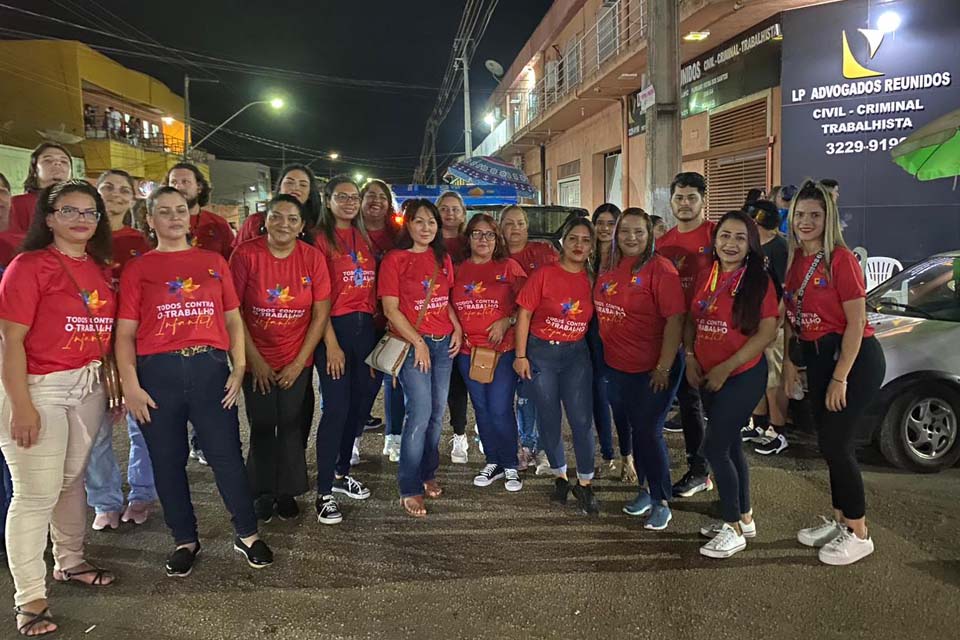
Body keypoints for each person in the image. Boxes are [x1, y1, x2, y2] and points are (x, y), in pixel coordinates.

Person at [116, 186, 273, 577]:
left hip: (209, 369)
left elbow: (233, 318)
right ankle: (184, 539)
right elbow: (124, 334)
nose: (174, 217)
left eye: (180, 210)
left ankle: (247, 533)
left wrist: (238, 367)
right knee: (167, 462)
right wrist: (130, 386)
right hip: (157, 374)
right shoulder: (139, 269)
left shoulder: (212, 262)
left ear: (190, 217)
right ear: (149, 220)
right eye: (164, 211)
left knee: (226, 457)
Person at [0, 180, 117, 637]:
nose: (81, 220)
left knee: (70, 484)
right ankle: (29, 597)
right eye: (69, 211)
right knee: (34, 496)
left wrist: (110, 384)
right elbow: (10, 340)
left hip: (86, 386)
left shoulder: (97, 268)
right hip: (38, 387)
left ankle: (69, 561)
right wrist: (21, 405)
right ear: (48, 218)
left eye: (90, 212)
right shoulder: (28, 266)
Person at [784, 180, 884, 566]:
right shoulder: (796, 261)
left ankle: (859, 532)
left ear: (829, 219)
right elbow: (793, 319)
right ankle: (842, 519)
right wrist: (793, 364)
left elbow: (857, 323)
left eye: (815, 215)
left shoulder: (840, 260)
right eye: (800, 215)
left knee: (839, 445)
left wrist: (841, 376)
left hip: (854, 360)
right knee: (827, 444)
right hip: (819, 358)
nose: (806, 222)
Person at [231, 194, 330, 523]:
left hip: (295, 357)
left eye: (292, 219)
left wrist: (300, 361)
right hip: (255, 354)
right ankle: (261, 491)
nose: (283, 224)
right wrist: (253, 360)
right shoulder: (246, 254)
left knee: (289, 425)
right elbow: (235, 311)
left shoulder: (312, 258)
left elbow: (320, 314)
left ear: (302, 225)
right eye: (277, 217)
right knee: (261, 425)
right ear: (265, 220)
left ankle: (287, 490)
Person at [685, 210, 779, 559]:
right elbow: (692, 320)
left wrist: (726, 367)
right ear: (715, 239)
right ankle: (744, 515)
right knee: (731, 447)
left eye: (740, 237)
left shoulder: (759, 280)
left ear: (751, 244)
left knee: (714, 449)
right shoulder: (705, 273)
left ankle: (733, 528)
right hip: (708, 374)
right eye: (725, 235)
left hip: (742, 375)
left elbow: (767, 332)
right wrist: (691, 357)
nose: (731, 243)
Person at [596, 208, 686, 530]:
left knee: (649, 433)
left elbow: (675, 320)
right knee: (635, 431)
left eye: (639, 232)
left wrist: (663, 367)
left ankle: (662, 500)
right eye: (625, 232)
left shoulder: (660, 270)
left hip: (654, 370)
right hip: (617, 368)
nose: (631, 238)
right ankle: (645, 491)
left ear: (649, 236)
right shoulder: (607, 265)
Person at [379, 198, 461, 518]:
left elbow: (445, 300)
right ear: (408, 224)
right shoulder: (395, 260)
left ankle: (427, 473)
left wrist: (456, 329)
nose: (426, 227)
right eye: (419, 221)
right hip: (411, 344)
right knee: (420, 412)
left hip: (443, 346)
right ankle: (408, 486)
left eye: (431, 221)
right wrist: (418, 342)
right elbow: (390, 309)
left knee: (437, 413)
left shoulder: (443, 258)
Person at [84, 170, 157, 531]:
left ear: (133, 199)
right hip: (86, 348)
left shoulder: (140, 243)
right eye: (107, 187)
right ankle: (104, 499)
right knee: (94, 431)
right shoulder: (79, 239)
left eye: (123, 190)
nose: (115, 194)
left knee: (141, 424)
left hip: (134, 345)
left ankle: (142, 492)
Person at [514, 217, 598, 514]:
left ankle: (585, 484)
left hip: (576, 355)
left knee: (581, 422)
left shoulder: (593, 277)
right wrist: (521, 355)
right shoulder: (544, 274)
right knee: (549, 418)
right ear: (562, 241)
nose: (579, 245)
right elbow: (524, 314)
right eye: (573, 238)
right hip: (541, 354)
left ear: (592, 246)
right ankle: (561, 477)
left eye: (585, 240)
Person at [312, 176, 380, 524]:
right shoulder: (320, 240)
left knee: (359, 407)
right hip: (334, 331)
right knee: (336, 409)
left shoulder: (363, 237)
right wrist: (331, 344)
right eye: (342, 197)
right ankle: (323, 492)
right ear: (328, 200)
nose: (350, 202)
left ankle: (340, 474)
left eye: (354, 197)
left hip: (364, 329)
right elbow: (318, 299)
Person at [451, 213, 527, 491]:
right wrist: (457, 329)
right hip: (468, 352)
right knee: (481, 409)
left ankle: (510, 464)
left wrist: (507, 320)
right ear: (468, 237)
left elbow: (526, 307)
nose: (483, 239)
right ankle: (493, 461)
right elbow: (443, 301)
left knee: (499, 408)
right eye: (477, 234)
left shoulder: (509, 267)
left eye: (489, 234)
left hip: (502, 351)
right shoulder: (457, 268)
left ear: (497, 239)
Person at [657, 172, 714, 498]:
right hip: (678, 336)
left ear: (703, 200)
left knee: (716, 407)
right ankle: (699, 469)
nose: (685, 203)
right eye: (679, 197)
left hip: (713, 335)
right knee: (689, 403)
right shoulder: (664, 244)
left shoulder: (718, 234)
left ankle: (729, 488)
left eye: (691, 197)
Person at [500, 205, 557, 473]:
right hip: (498, 340)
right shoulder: (493, 255)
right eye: (509, 223)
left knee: (537, 393)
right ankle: (523, 445)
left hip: (537, 337)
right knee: (509, 397)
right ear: (501, 228)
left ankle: (542, 449)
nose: (516, 229)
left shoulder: (542, 253)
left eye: (521, 223)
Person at [589, 203, 634, 480]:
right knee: (598, 396)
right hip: (590, 334)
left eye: (610, 223)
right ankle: (608, 455)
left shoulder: (626, 261)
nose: (605, 229)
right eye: (600, 223)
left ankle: (628, 455)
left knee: (621, 400)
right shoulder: (584, 254)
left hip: (619, 333)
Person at [742, 199, 790, 456]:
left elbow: (786, 291)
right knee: (758, 375)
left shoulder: (780, 248)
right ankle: (758, 423)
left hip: (774, 326)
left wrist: (775, 324)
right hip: (755, 323)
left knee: (774, 378)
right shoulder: (755, 248)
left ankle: (777, 430)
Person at [361, 180, 403, 458]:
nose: (376, 201)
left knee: (394, 380)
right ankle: (350, 441)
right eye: (370, 196)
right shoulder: (347, 233)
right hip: (358, 321)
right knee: (359, 383)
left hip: (393, 319)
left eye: (382, 197)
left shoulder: (399, 235)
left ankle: (394, 436)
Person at [436, 191, 470, 463]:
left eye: (454, 209)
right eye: (444, 208)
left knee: (478, 382)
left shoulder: (471, 242)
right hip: (439, 321)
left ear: (463, 212)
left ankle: (470, 432)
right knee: (449, 385)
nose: (449, 214)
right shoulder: (429, 241)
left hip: (474, 320)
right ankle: (457, 434)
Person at [234, 164, 322, 247]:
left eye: (303, 185)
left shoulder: (317, 226)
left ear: (310, 193)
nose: (295, 188)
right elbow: (235, 254)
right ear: (279, 188)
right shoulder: (254, 221)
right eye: (289, 183)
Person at [166, 162, 234, 260]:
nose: (178, 187)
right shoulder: (160, 224)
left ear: (199, 187)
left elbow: (231, 263)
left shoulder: (218, 224)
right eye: (173, 182)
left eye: (185, 182)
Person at [9, 143, 73, 233]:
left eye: (64, 161)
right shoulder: (17, 204)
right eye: (48, 160)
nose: (57, 163)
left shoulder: (81, 204)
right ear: (35, 170)